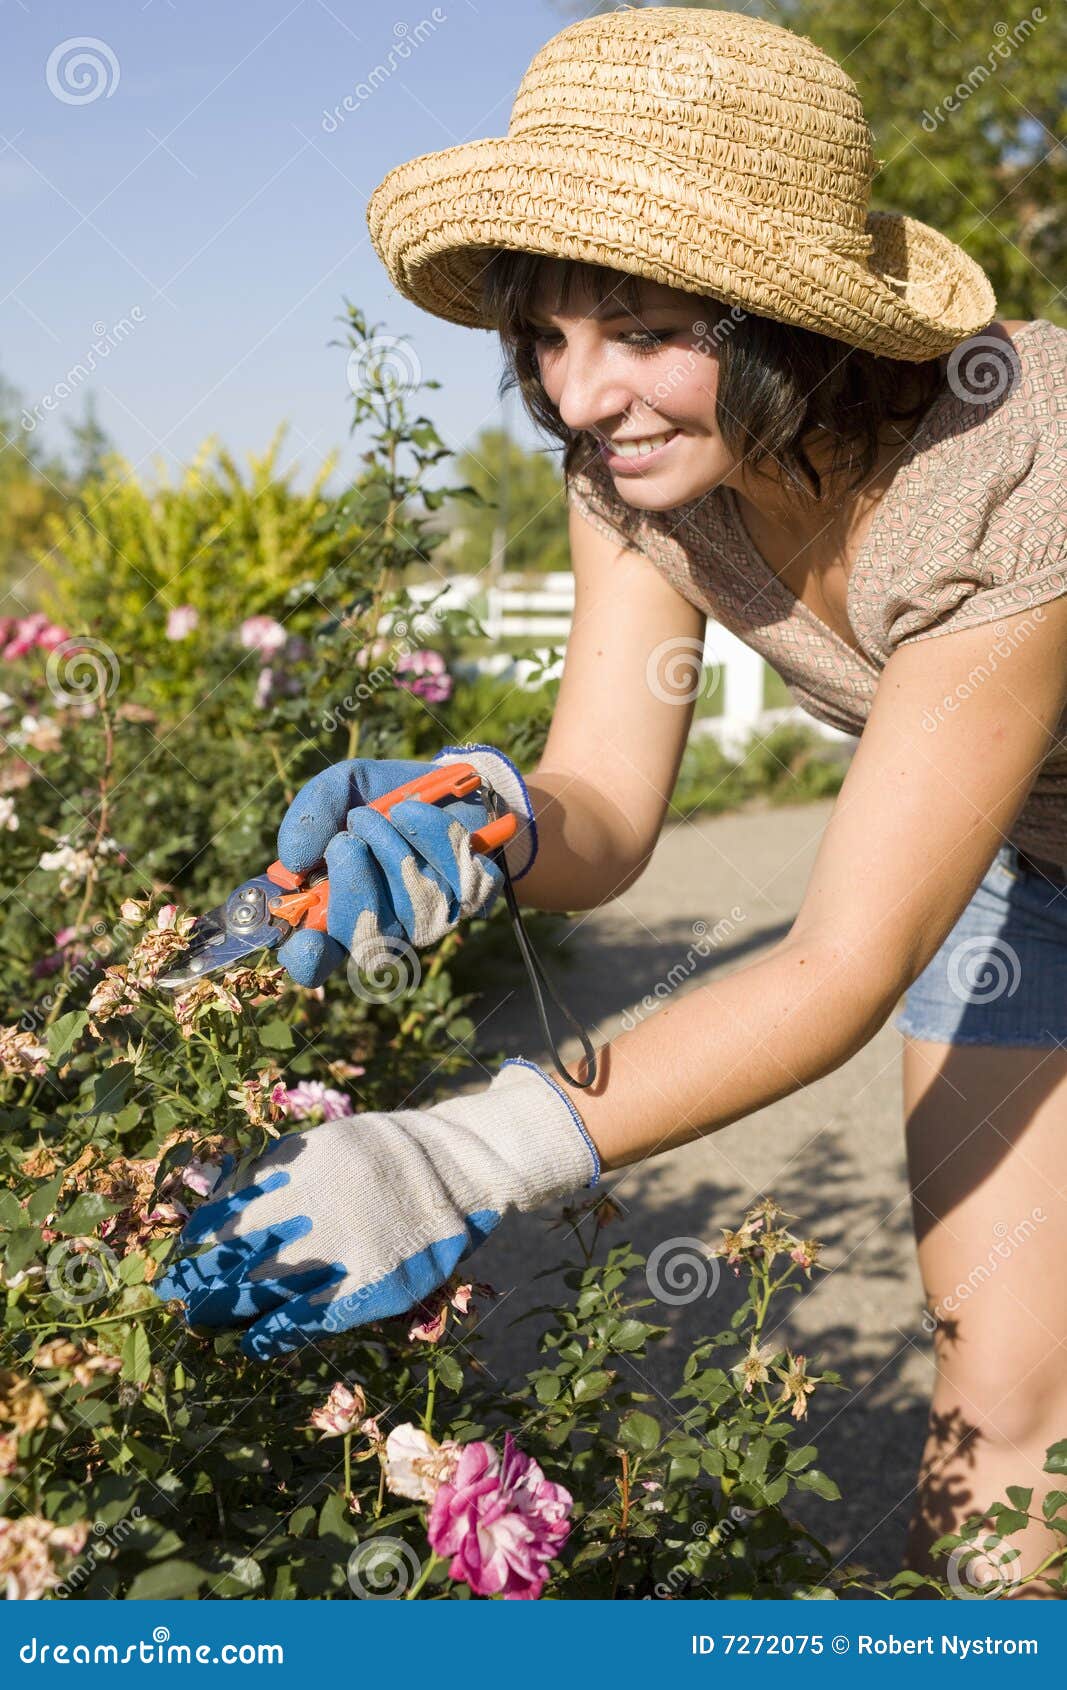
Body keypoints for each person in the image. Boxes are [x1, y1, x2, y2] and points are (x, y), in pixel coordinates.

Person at [155, 10, 1067, 1595]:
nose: (581, 395)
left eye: (641, 330)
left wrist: (460, 1153)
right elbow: (608, 806)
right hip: (1033, 873)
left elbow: (835, 965)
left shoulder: (1013, 471)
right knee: (1000, 1388)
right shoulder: (643, 484)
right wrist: (488, 820)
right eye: (548, 337)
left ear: (792, 321)